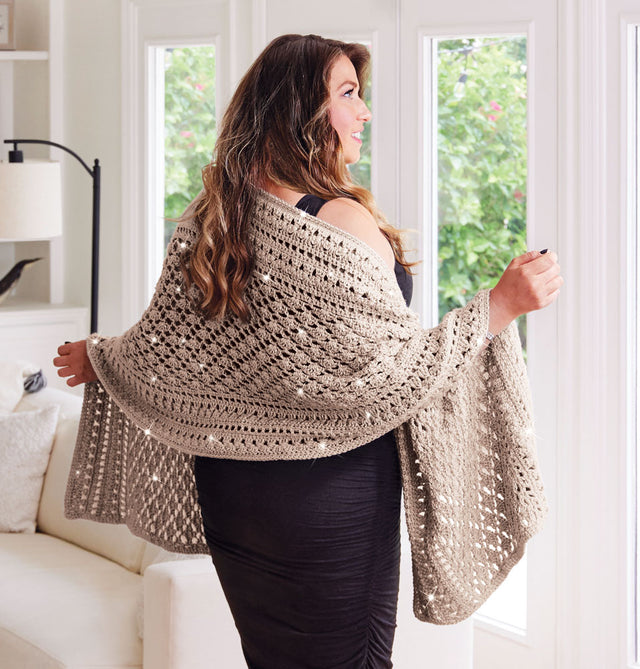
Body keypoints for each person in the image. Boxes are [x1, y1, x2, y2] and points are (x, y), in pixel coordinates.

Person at [53, 33, 562, 669]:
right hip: (332, 494)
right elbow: (388, 377)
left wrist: (102, 357)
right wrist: (501, 307)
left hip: (233, 491)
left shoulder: (213, 216)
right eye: (347, 94)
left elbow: (176, 347)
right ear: (300, 109)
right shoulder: (339, 219)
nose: (363, 112)